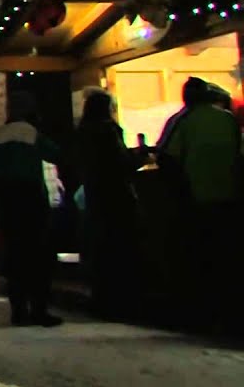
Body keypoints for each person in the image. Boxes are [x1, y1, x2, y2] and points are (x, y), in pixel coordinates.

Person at [158, 76, 242, 316]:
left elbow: (166, 156)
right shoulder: (228, 119)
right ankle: (229, 308)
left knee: (198, 257)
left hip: (195, 198)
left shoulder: (182, 120)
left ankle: (201, 309)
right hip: (229, 196)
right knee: (226, 256)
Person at [0, 92, 64, 327]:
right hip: (31, 196)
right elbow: (54, 154)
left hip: (6, 198)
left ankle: (18, 310)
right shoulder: (30, 132)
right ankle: (39, 309)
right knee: (37, 255)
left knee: (15, 253)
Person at [73, 90, 140, 318]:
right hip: (116, 196)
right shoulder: (107, 130)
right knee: (118, 249)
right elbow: (121, 162)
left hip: (94, 196)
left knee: (100, 250)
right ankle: (119, 301)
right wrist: (141, 156)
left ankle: (101, 299)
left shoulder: (83, 131)